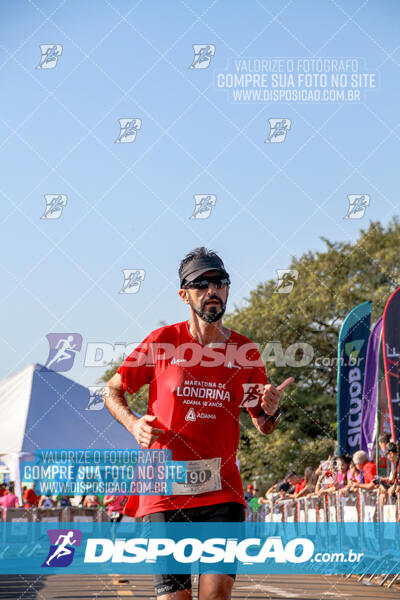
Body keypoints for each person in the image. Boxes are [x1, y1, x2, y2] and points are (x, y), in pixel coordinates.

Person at [104, 247, 294, 600]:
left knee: (216, 594)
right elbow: (111, 390)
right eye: (201, 284)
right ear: (184, 294)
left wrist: (272, 409)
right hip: (163, 487)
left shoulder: (245, 352)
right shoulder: (162, 341)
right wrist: (133, 424)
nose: (212, 290)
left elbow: (263, 425)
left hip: (221, 487)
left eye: (219, 282)